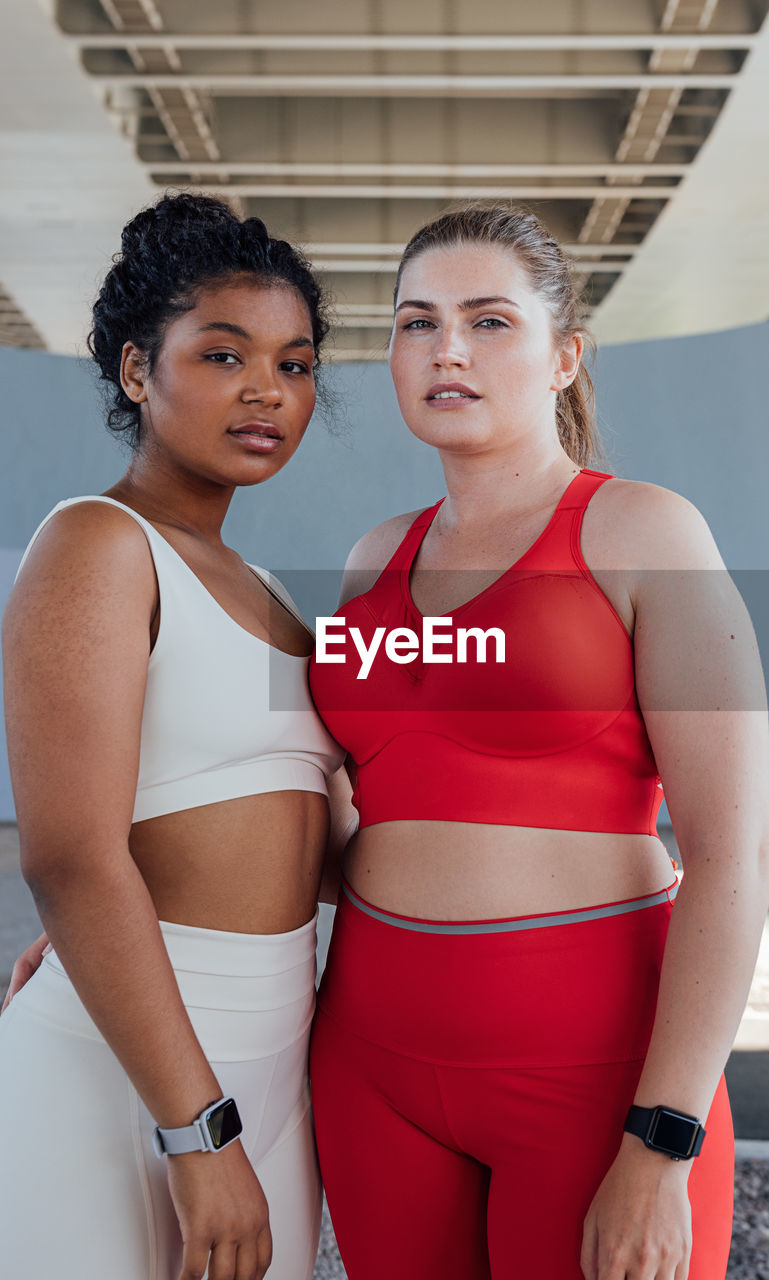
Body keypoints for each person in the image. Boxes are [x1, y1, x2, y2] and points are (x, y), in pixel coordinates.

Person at [308, 204, 769, 1279]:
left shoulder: (645, 531)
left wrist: (661, 1138)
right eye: (416, 323)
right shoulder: (371, 556)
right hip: (372, 1065)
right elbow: (311, 808)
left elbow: (732, 853)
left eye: (487, 320)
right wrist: (143, 901)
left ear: (563, 355)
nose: (447, 349)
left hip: (591, 1074)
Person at [0, 191, 350, 1280]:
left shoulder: (261, 590)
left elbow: (295, 840)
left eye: (295, 364)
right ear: (137, 370)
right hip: (134, 1081)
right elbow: (68, 854)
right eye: (223, 354)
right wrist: (198, 1131)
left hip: (272, 1067)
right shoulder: (96, 542)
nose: (267, 391)